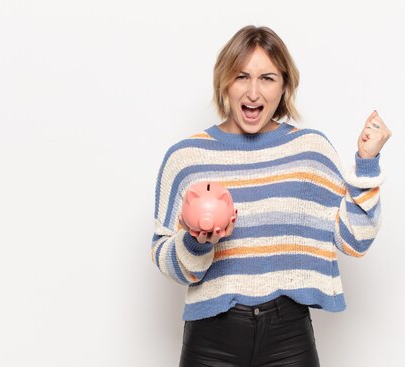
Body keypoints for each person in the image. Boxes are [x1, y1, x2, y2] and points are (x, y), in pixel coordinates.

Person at [151, 25, 391, 367]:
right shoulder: (187, 158)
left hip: (288, 337)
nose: (253, 92)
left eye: (267, 78)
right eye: (241, 76)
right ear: (224, 83)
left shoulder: (310, 151)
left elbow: (355, 240)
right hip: (211, 338)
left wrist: (366, 164)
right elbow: (163, 255)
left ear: (284, 86)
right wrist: (197, 243)